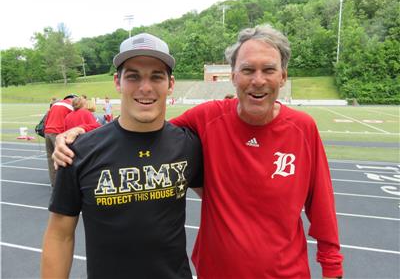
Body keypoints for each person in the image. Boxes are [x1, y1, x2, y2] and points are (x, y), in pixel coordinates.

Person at [52, 25, 344, 278]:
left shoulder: (303, 128)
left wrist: (332, 269)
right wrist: (81, 137)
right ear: (232, 76)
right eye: (247, 70)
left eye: (268, 69)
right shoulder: (207, 118)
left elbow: (322, 208)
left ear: (282, 76)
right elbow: (141, 131)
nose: (257, 80)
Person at [41, 33, 203, 279]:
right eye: (133, 76)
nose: (145, 87)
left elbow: (221, 204)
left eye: (156, 76)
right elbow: (60, 234)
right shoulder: (78, 151)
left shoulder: (189, 145)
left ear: (170, 84)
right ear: (118, 82)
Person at [43, 94, 77, 186]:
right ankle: (64, 184)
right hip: (58, 133)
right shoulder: (71, 106)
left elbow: (46, 119)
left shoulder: (55, 105)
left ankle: (54, 183)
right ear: (73, 99)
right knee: (62, 158)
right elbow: (73, 120)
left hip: (47, 132)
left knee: (51, 158)